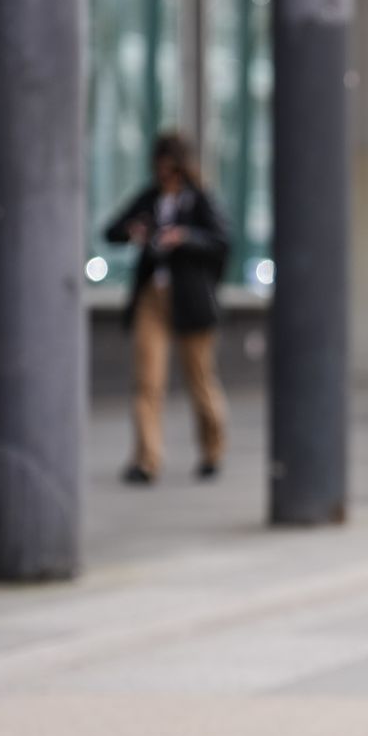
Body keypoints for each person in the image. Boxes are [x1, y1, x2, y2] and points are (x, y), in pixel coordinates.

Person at [104, 130, 231, 484]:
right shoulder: (149, 198)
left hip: (191, 300)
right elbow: (111, 231)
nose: (165, 176)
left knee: (200, 380)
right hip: (152, 299)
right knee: (147, 382)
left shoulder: (200, 199)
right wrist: (134, 231)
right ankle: (146, 460)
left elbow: (222, 241)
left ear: (183, 168)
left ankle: (212, 450)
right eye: (161, 169)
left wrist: (185, 237)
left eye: (172, 169)